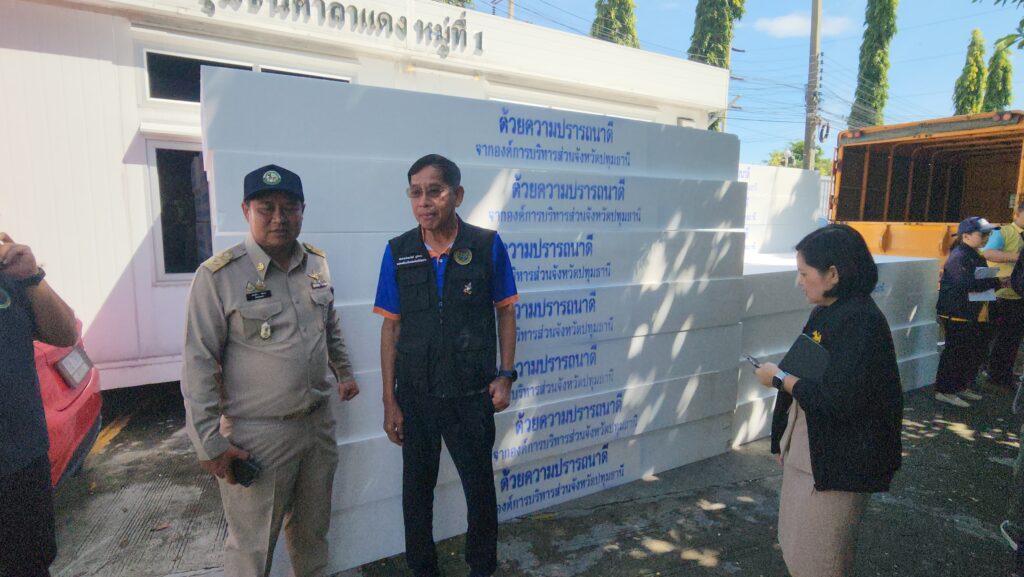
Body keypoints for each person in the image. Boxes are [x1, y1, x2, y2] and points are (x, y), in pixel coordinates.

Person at [181, 164, 359, 577]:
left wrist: (344, 371)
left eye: (289, 208)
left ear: (302, 210)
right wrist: (208, 443)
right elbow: (198, 363)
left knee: (313, 534)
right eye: (266, 208)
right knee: (253, 548)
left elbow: (329, 323)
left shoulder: (316, 263)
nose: (279, 218)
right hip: (258, 435)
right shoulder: (218, 276)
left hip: (317, 426)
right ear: (246, 210)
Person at [374, 154, 518, 577]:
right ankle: (423, 570)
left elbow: (506, 311)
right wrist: (389, 401)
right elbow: (391, 328)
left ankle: (482, 568)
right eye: (415, 192)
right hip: (416, 396)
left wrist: (505, 376)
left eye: (434, 191)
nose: (424, 202)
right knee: (416, 494)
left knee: (480, 491)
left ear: (457, 195)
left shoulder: (486, 246)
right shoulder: (398, 251)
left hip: (471, 395)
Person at [754, 224, 903, 577]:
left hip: (837, 466)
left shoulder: (861, 322)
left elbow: (839, 401)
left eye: (804, 273)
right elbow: (803, 371)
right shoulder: (827, 311)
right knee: (796, 549)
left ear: (833, 274)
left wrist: (779, 379)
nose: (799, 282)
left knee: (822, 560)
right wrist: (783, 441)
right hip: (808, 454)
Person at [0, 232, 78, 577]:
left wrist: (32, 276)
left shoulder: (8, 273)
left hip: (22, 460)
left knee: (31, 565)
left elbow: (65, 333)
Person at [933, 217, 1003, 407]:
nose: (986, 238)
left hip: (971, 311)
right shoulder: (960, 255)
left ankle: (960, 386)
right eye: (983, 234)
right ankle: (945, 390)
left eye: (988, 234)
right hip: (957, 312)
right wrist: (996, 282)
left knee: (969, 351)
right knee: (955, 352)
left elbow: (976, 282)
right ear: (966, 236)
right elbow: (966, 284)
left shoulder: (973, 254)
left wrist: (992, 283)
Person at [982, 202, 1024, 390]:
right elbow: (989, 253)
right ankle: (993, 373)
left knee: (1012, 339)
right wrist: (1018, 257)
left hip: (1019, 295)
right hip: (1001, 294)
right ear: (1017, 213)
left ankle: (1003, 373)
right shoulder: (1002, 232)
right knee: (999, 337)